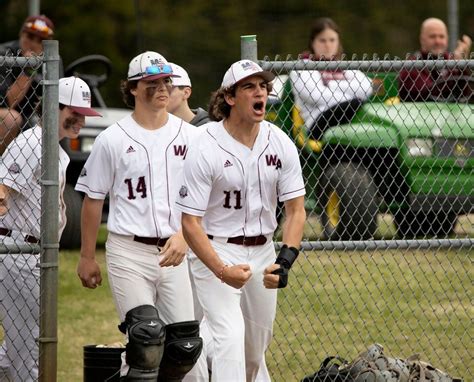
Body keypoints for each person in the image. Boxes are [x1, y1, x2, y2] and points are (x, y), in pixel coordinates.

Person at [177, 59, 306, 381]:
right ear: (230, 98)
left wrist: (285, 260)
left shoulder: (279, 141)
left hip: (263, 251)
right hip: (217, 249)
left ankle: (198, 353)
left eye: (263, 86)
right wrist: (221, 269)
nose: (259, 92)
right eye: (249, 86)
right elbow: (190, 222)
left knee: (253, 352)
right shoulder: (204, 144)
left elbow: (296, 210)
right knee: (229, 337)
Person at [75, 51, 202, 381]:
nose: (162, 88)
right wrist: (87, 257)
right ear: (132, 88)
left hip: (174, 251)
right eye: (152, 82)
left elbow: (205, 197)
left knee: (185, 347)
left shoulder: (190, 136)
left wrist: (184, 235)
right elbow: (92, 200)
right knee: (146, 339)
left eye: (166, 81)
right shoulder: (112, 138)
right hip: (129, 251)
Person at [0, 76, 100, 381]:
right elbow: (2, 190)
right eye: (75, 112)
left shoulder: (53, 149)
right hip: (18, 251)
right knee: (29, 346)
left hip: (31, 253)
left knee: (20, 346)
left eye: (84, 114)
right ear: (53, 107)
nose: (80, 120)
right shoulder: (32, 143)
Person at [289, 17, 373, 140]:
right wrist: (352, 97)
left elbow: (367, 88)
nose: (328, 45)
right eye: (322, 40)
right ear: (313, 42)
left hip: (350, 121)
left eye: (332, 40)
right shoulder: (302, 66)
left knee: (358, 106)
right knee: (357, 103)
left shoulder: (343, 66)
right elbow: (316, 96)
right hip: (317, 124)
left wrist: (331, 85)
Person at [0, 14, 64, 154]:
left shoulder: (52, 60)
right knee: (11, 119)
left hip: (32, 117)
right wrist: (29, 69)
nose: (34, 43)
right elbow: (8, 103)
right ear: (21, 33)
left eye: (41, 40)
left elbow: (57, 102)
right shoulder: (4, 54)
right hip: (6, 114)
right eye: (30, 36)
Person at [399, 17, 472, 102]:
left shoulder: (450, 59)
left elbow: (465, 94)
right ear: (422, 39)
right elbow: (432, 94)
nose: (437, 41)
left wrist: (461, 67)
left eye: (441, 36)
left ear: (447, 39)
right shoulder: (412, 66)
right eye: (432, 36)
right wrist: (455, 68)